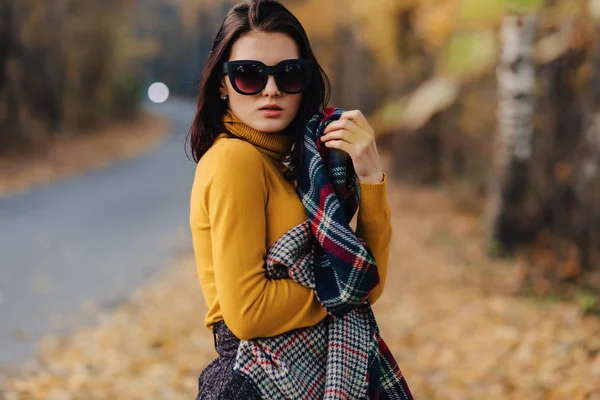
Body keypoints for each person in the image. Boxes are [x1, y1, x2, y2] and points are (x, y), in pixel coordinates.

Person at [188, 0, 392, 398]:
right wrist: (342, 283)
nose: (271, 90)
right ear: (221, 84)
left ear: (306, 81)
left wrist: (369, 175)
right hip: (258, 378)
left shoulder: (300, 166)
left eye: (289, 74)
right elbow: (248, 314)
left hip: (305, 373)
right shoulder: (234, 160)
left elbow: (369, 283)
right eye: (248, 75)